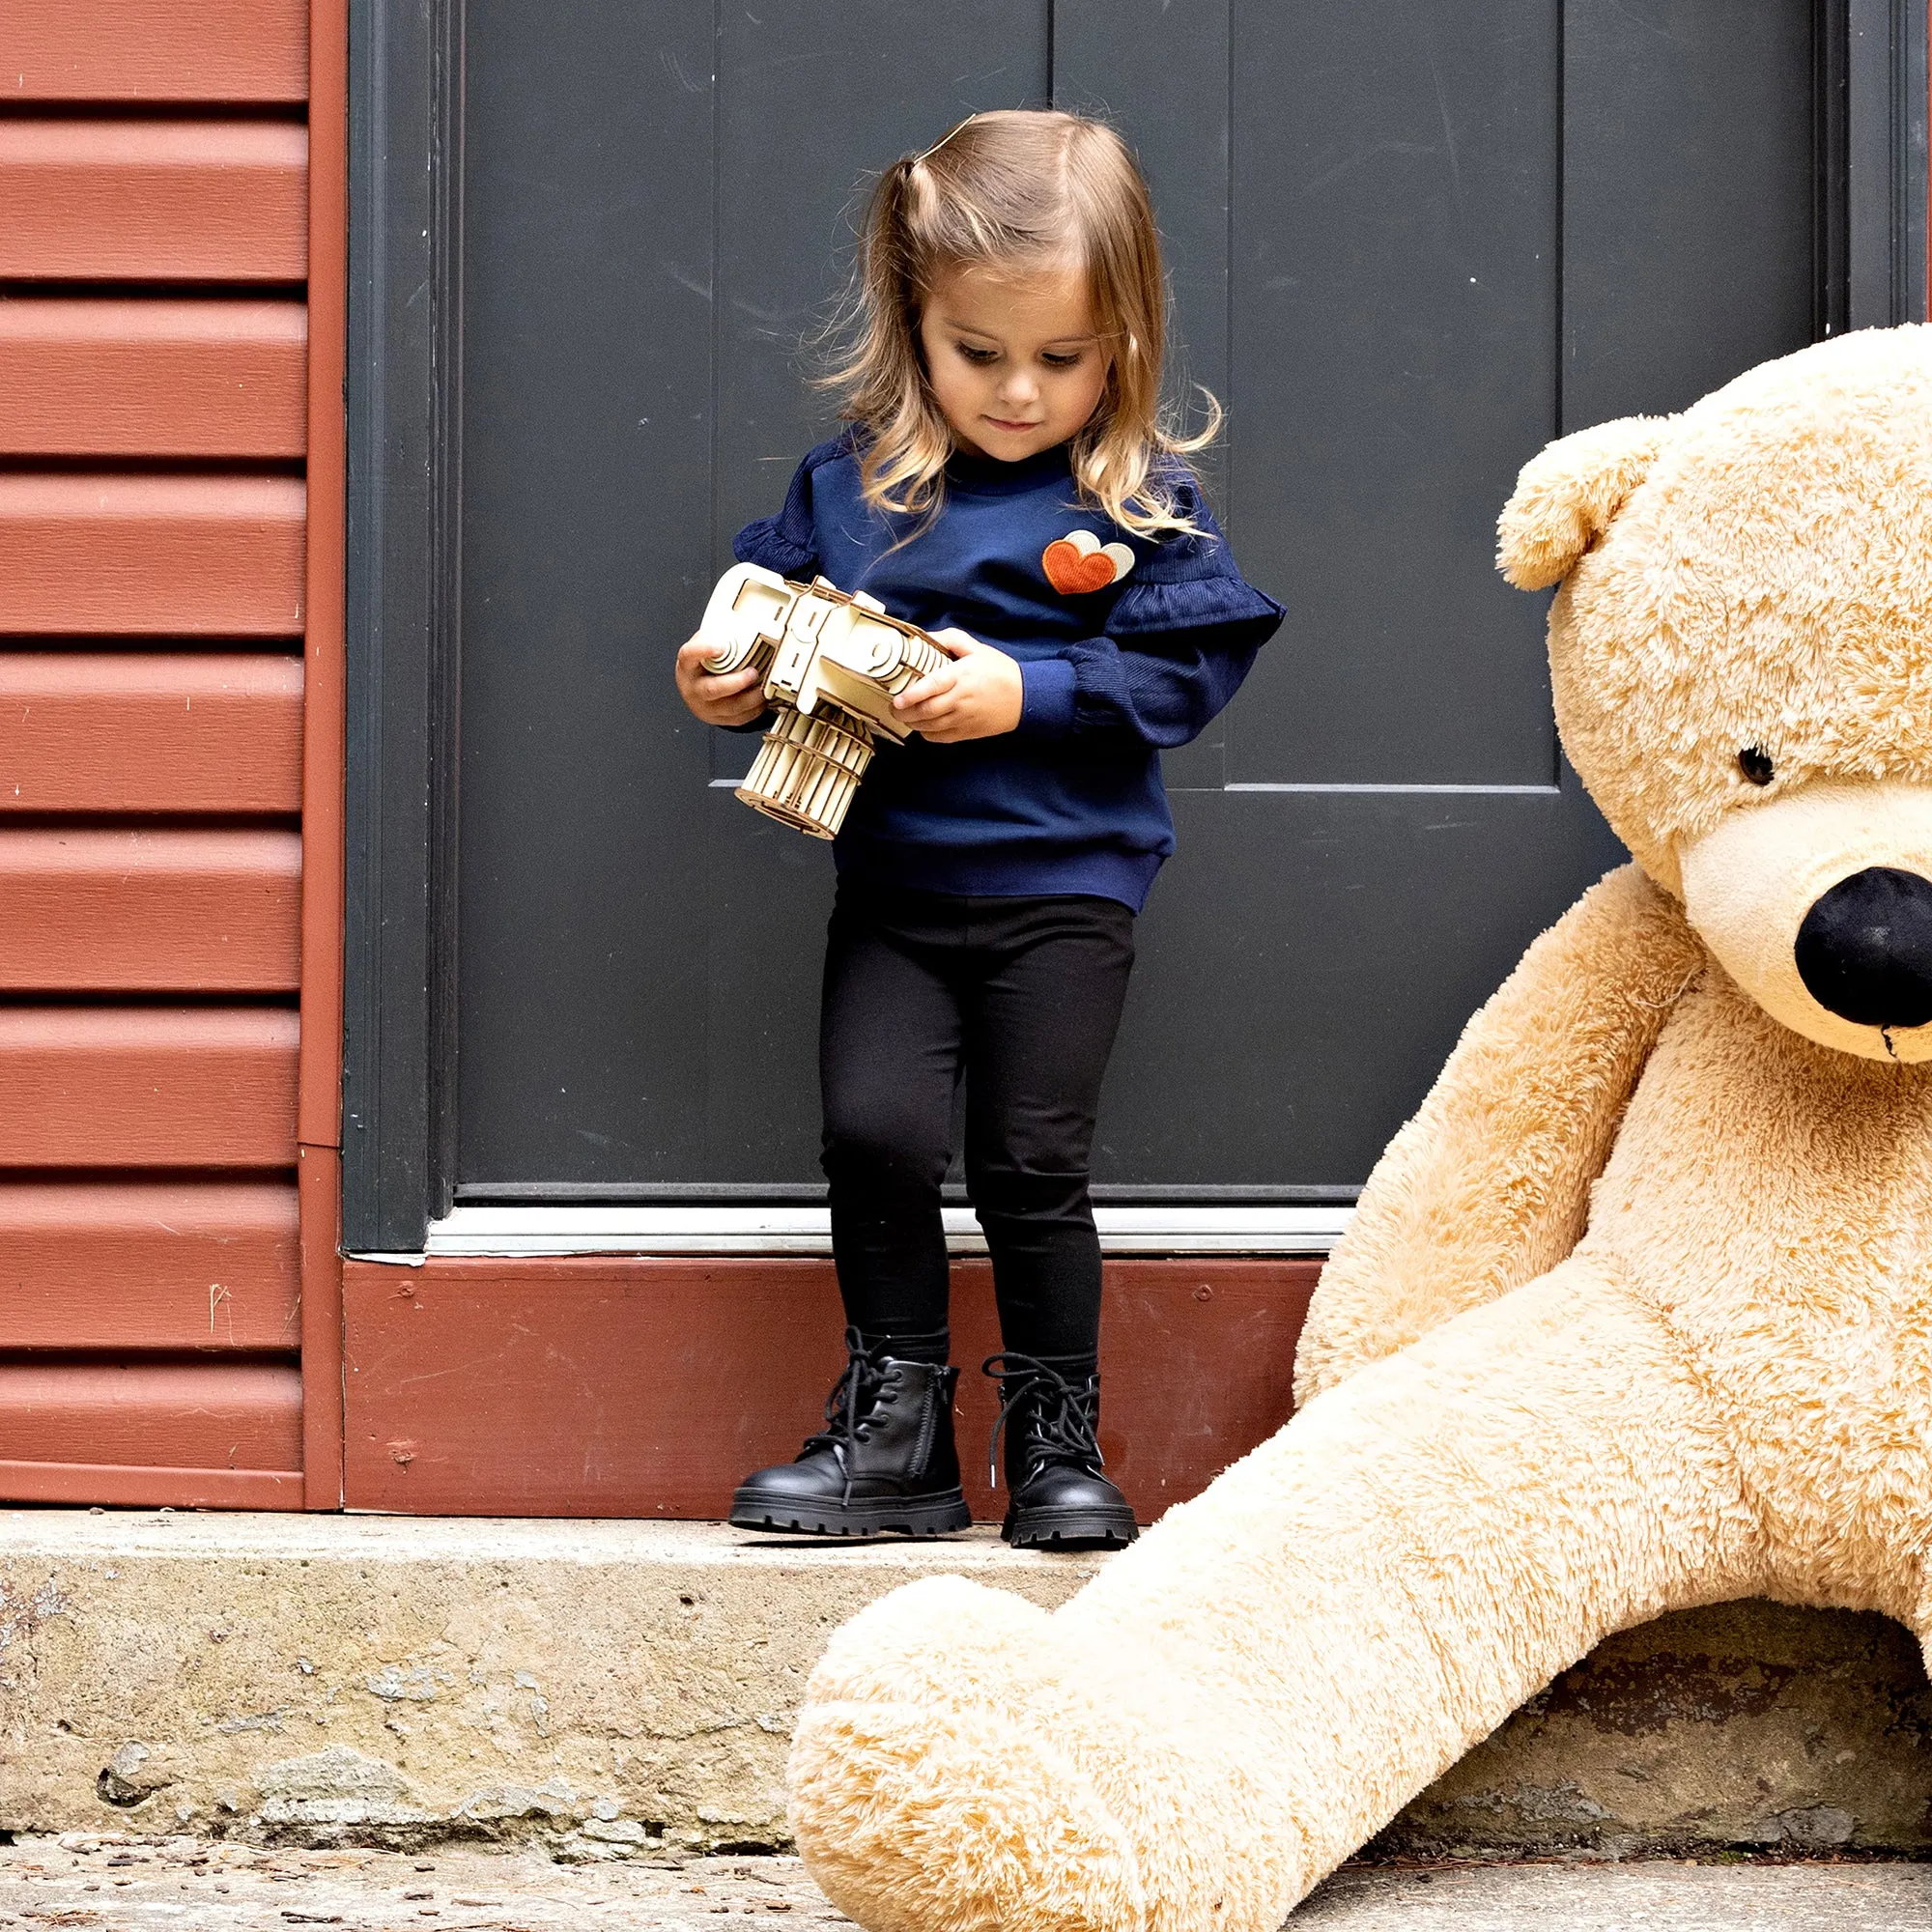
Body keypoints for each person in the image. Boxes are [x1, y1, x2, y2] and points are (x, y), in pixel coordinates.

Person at [674, 109, 1284, 1548]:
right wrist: (724, 682)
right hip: (894, 885)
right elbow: (764, 624)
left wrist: (1029, 687)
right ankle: (894, 1436)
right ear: (915, 325)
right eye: (980, 353)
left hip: (1067, 890)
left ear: (1124, 339)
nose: (1018, 392)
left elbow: (1189, 672)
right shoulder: (853, 487)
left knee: (1028, 1159)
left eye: (1061, 360)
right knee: (873, 1133)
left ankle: (1057, 1441)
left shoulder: (1135, 504)